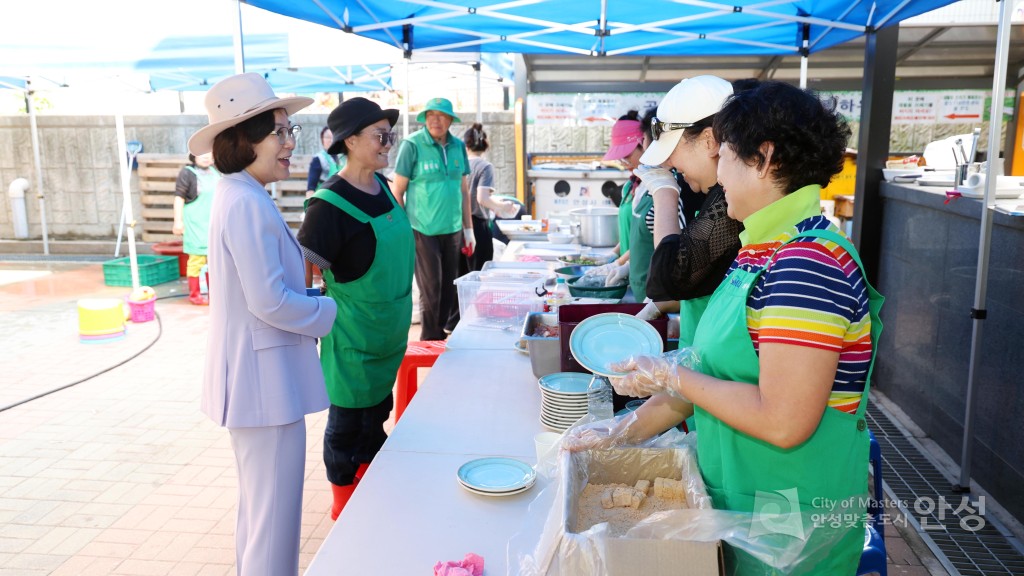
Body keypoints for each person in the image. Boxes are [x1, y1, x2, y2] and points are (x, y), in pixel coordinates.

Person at [575, 80, 884, 575]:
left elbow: (783, 420)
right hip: (746, 504)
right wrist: (617, 431)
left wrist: (670, 376)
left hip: (789, 528)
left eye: (727, 157)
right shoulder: (759, 251)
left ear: (763, 158)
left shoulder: (806, 263)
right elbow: (709, 374)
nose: (718, 172)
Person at [188, 72, 337, 576]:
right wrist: (327, 311)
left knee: (260, 517)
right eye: (279, 132)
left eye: (290, 131)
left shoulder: (240, 194)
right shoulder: (246, 201)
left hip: (257, 385)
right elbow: (269, 300)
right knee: (272, 524)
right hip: (263, 387)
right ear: (243, 139)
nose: (289, 143)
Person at [296, 97, 412, 521]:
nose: (389, 144)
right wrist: (308, 321)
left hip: (388, 332)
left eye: (390, 135)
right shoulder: (329, 205)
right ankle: (343, 507)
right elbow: (306, 267)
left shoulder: (381, 187)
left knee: (376, 415)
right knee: (346, 427)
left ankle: (370, 489)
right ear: (350, 141)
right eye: (381, 136)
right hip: (352, 338)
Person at [630, 75, 748, 343]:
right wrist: (660, 305)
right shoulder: (713, 196)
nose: (669, 162)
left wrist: (665, 194)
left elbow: (670, 277)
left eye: (672, 149)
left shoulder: (731, 206)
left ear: (709, 141)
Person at [587, 109, 692, 303]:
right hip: (641, 284)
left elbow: (678, 257)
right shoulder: (638, 185)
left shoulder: (669, 188)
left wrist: (659, 302)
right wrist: (623, 262)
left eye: (628, 153)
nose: (624, 161)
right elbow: (641, 237)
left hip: (659, 294)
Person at [391, 97, 473, 340]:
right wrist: (403, 228)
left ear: (450, 120)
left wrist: (469, 230)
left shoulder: (458, 146)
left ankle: (440, 335)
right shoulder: (412, 145)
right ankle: (429, 338)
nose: (435, 120)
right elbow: (398, 190)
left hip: (453, 228)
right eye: (431, 115)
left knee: (449, 286)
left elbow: (464, 190)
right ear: (425, 119)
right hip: (421, 229)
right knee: (431, 288)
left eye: (441, 115)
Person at [461, 122, 518, 271]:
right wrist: (503, 206)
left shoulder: (458, 165)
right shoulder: (485, 167)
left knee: (459, 276)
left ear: (465, 146)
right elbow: (482, 198)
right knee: (479, 275)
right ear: (485, 145)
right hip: (477, 227)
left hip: (457, 227)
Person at [172, 152, 220, 305]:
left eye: (209, 153)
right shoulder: (187, 173)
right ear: (193, 156)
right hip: (195, 224)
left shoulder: (215, 172)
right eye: (201, 154)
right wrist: (178, 221)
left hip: (213, 224)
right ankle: (195, 295)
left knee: (215, 262)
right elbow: (179, 198)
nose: (206, 157)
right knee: (196, 260)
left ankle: (216, 295)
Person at [305, 126, 343, 197]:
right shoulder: (318, 159)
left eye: (333, 137)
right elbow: (311, 188)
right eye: (328, 137)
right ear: (322, 139)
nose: (331, 140)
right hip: (324, 199)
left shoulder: (341, 158)